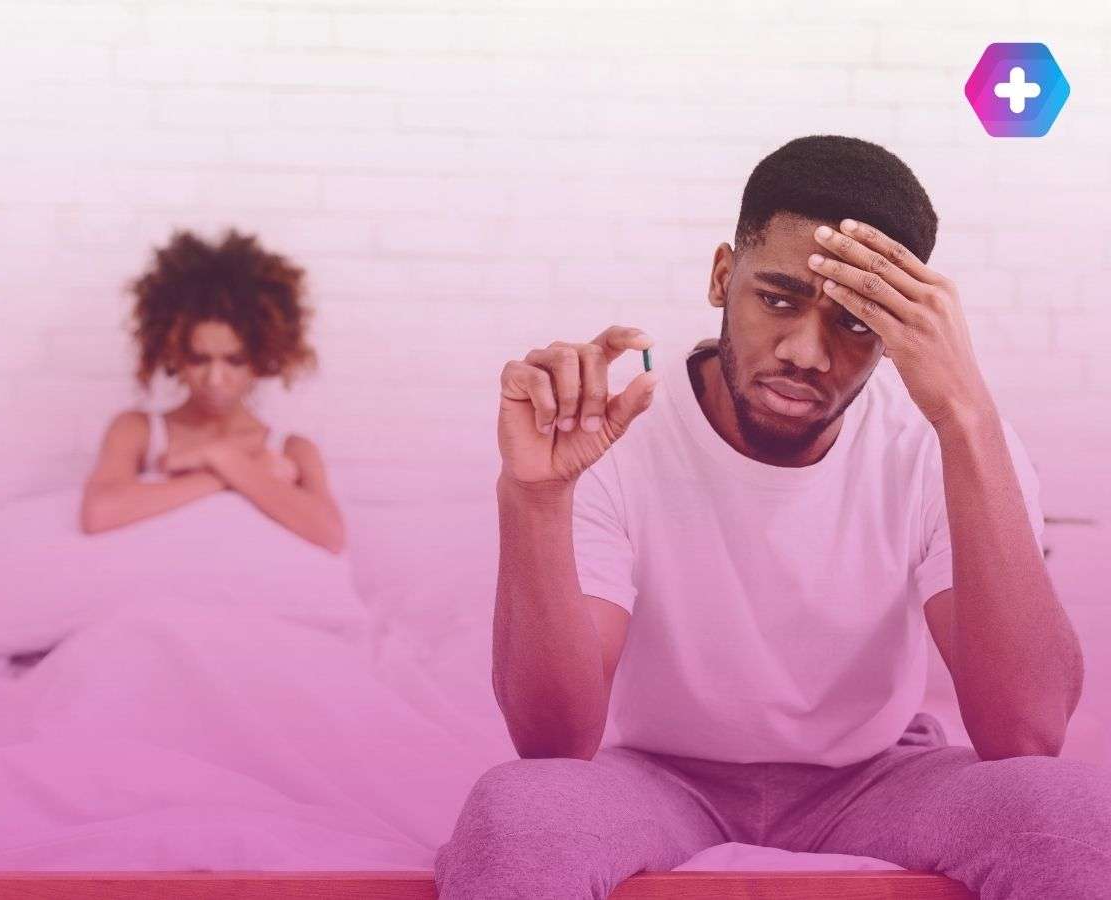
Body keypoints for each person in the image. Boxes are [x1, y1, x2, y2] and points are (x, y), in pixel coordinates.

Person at [435, 136, 1110, 898]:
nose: (806, 352)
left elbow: (1026, 734)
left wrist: (966, 414)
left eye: (857, 323)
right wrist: (534, 497)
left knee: (1070, 809)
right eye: (778, 299)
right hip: (659, 776)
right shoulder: (612, 430)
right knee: (518, 811)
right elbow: (553, 742)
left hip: (875, 775)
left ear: (902, 330)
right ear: (723, 276)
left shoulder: (949, 437)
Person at [80, 228, 345, 554]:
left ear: (262, 359)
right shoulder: (138, 431)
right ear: (174, 354)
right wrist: (223, 472)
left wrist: (219, 456)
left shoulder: (293, 449)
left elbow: (330, 535)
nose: (215, 379)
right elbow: (99, 513)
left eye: (234, 361)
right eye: (198, 359)